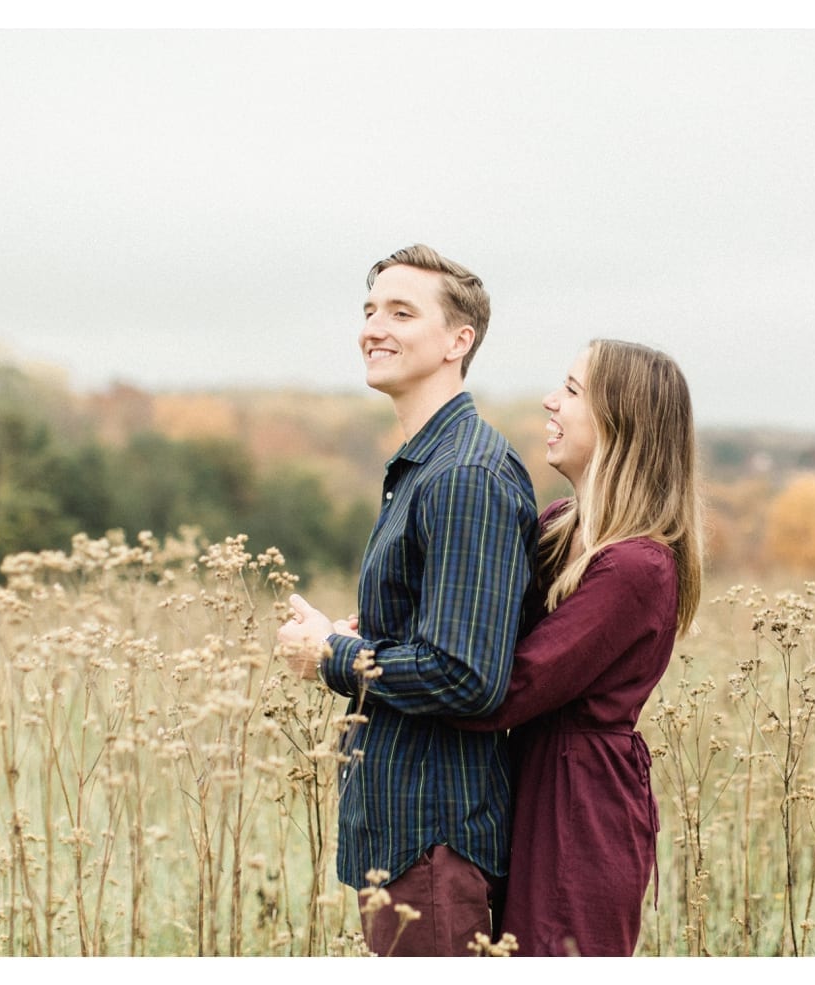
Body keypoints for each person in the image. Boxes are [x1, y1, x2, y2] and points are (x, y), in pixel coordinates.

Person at [276, 244, 539, 957]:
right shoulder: (423, 467)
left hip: (435, 839)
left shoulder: (464, 477)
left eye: (400, 311)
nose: (373, 327)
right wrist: (362, 634)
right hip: (401, 832)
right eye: (369, 310)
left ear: (460, 341)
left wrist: (332, 654)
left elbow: (466, 674)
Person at [446, 338, 704, 957]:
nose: (549, 400)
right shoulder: (561, 524)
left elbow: (508, 690)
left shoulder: (639, 566)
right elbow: (480, 625)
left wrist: (372, 669)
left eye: (571, 390)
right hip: (527, 784)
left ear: (621, 423)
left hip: (579, 810)